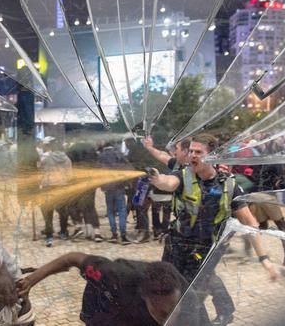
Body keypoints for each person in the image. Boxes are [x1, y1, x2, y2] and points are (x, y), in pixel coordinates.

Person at [148, 134, 278, 325]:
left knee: (188, 303)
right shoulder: (182, 176)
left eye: (198, 152)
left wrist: (264, 259)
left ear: (213, 156)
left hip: (203, 254)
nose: (192, 155)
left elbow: (250, 223)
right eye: (190, 151)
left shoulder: (229, 184)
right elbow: (167, 183)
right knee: (175, 300)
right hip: (175, 249)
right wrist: (157, 178)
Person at [16, 252, 208, 325]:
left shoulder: (189, 301)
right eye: (161, 313)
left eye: (173, 310)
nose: (168, 319)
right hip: (105, 304)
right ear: (144, 296)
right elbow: (72, 259)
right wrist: (31, 280)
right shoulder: (115, 275)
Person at [37, 138, 76, 246]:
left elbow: (40, 170)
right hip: (62, 187)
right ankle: (63, 232)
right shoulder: (67, 159)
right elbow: (70, 176)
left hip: (48, 186)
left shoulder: (46, 158)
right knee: (63, 211)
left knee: (48, 212)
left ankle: (49, 237)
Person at [98, 142, 131, 244]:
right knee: (122, 210)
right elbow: (127, 168)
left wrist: (101, 185)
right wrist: (127, 183)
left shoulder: (101, 156)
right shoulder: (119, 154)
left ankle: (114, 234)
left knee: (110, 211)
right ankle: (123, 235)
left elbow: (98, 172)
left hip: (108, 187)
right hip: (119, 186)